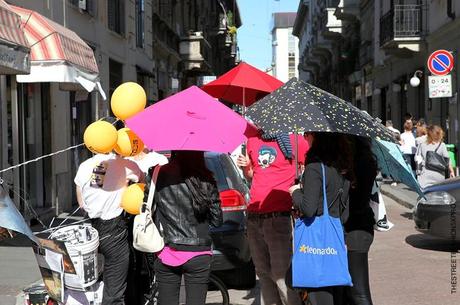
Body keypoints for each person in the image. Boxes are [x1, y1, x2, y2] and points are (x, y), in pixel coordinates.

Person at [236, 132, 308, 305]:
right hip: (254, 214)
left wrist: (300, 187)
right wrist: (246, 168)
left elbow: (311, 169)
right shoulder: (252, 139)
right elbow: (253, 175)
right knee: (262, 272)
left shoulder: (294, 141)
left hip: (278, 216)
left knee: (281, 274)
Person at [288, 132, 352, 305]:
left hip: (315, 247)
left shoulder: (315, 168)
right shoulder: (343, 169)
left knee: (316, 296)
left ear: (318, 138)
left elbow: (309, 209)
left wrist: (295, 193)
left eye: (307, 134)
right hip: (334, 246)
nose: (305, 137)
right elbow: (344, 215)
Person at [152, 150, 223, 305]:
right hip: (198, 251)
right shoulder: (205, 178)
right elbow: (217, 221)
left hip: (167, 248)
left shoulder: (159, 174)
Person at [75, 152, 144, 305]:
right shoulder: (125, 165)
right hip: (114, 229)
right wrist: (124, 187)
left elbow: (80, 200)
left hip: (91, 227)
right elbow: (141, 182)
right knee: (114, 288)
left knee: (90, 281)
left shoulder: (85, 166)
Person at [344, 136, 378, 305]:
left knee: (359, 290)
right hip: (362, 224)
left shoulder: (358, 164)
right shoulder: (366, 160)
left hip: (357, 227)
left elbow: (355, 199)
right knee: (352, 288)